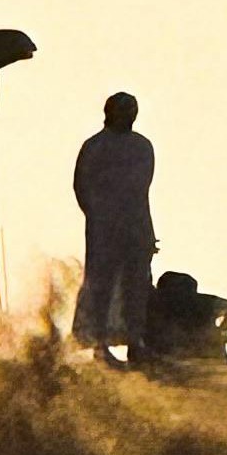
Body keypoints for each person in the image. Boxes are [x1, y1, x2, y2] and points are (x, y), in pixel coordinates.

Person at [72, 92, 157, 364]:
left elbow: (140, 189)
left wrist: (144, 230)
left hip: (134, 225)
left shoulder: (142, 147)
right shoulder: (94, 146)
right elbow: (82, 187)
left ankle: (135, 340)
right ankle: (99, 343)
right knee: (101, 286)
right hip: (104, 229)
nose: (129, 116)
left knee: (137, 285)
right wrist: (98, 217)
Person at [146, 271, 227, 361]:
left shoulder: (202, 302)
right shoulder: (203, 302)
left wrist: (220, 331)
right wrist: (220, 331)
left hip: (197, 355)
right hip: (200, 355)